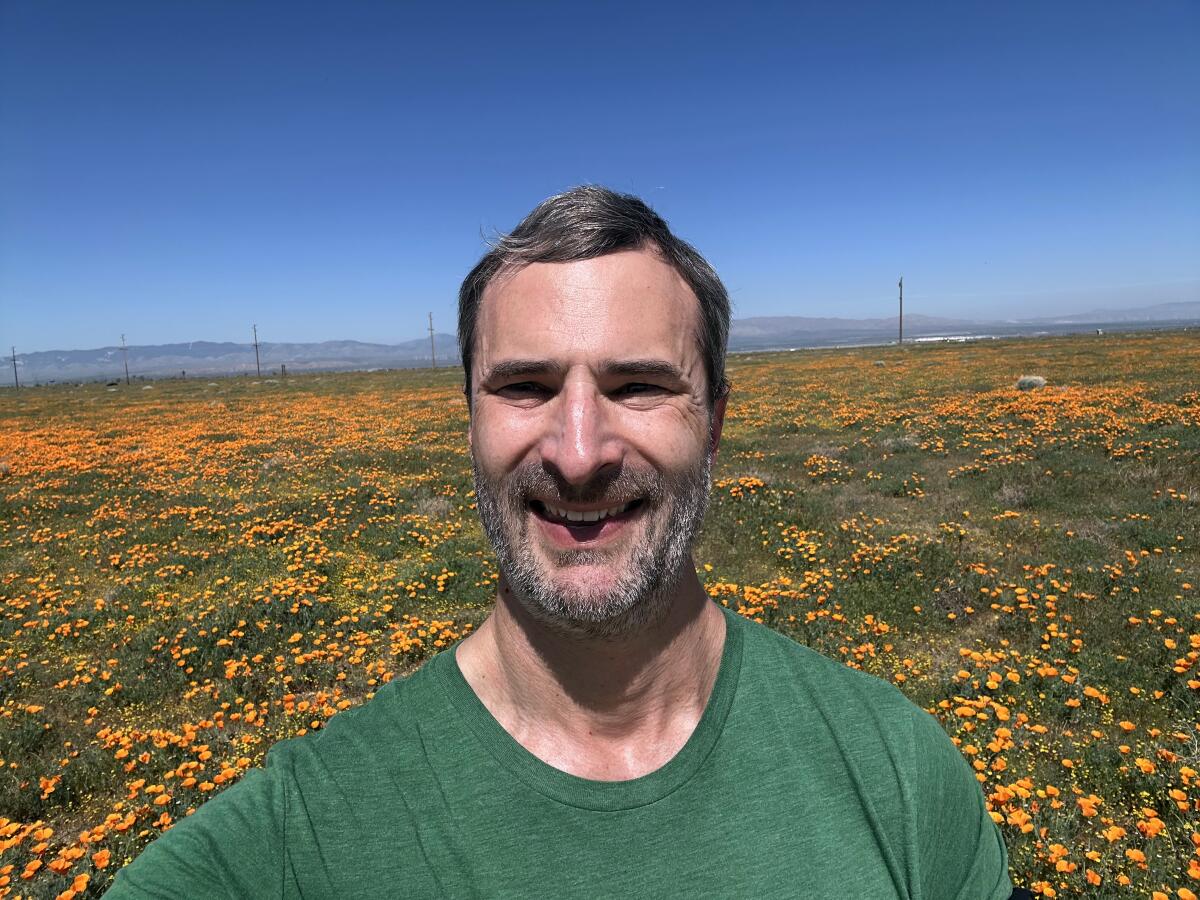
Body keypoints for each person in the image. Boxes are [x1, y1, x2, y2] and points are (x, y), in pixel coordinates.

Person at [106, 187, 1015, 898]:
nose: (579, 453)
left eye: (638, 385)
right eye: (527, 386)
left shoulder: (901, 776)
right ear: (469, 420)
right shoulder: (306, 828)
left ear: (717, 421)